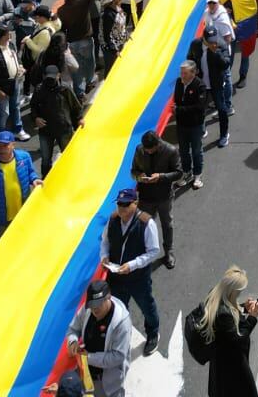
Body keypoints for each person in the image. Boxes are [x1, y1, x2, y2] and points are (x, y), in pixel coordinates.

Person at [101, 187, 161, 356]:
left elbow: (153, 251)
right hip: (116, 278)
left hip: (138, 278)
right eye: (119, 204)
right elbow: (105, 242)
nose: (122, 208)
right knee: (119, 310)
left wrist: (132, 265)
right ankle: (122, 337)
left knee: (147, 307)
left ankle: (152, 333)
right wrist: (104, 256)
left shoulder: (146, 223)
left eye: (126, 205)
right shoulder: (113, 219)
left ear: (135, 203)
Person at [192, 266, 258, 397]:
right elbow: (238, 339)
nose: (240, 295)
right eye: (239, 292)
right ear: (232, 292)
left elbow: (230, 316)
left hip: (220, 360)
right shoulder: (224, 315)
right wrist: (252, 317)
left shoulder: (215, 295)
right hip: (231, 365)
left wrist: (244, 309)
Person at [66, 278, 133, 397]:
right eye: (92, 305)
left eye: (98, 304)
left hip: (107, 382)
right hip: (85, 374)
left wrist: (88, 358)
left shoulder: (122, 323)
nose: (94, 309)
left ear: (109, 297)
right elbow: (73, 329)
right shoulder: (87, 310)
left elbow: (117, 356)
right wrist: (72, 341)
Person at [0, 130, 41, 241]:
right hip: (0, 219)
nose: (1, 149)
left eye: (5, 145)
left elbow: (30, 172)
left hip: (23, 212)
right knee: (1, 246)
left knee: (24, 241)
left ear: (13, 144)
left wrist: (34, 179)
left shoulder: (24, 158)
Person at [132, 129, 181, 267]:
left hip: (164, 195)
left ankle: (169, 251)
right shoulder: (140, 150)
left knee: (167, 224)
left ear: (158, 144)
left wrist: (160, 177)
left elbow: (179, 173)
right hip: (146, 196)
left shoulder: (171, 150)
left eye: (150, 150)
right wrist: (139, 176)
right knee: (145, 226)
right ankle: (146, 254)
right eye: (145, 149)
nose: (147, 152)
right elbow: (133, 170)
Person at [173, 59, 208, 188]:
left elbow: (199, 107)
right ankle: (186, 172)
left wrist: (179, 109)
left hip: (195, 125)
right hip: (182, 124)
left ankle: (197, 175)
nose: (182, 76)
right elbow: (177, 99)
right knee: (183, 151)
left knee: (196, 151)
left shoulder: (200, 86)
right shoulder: (179, 83)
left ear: (193, 73)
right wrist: (178, 108)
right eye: (181, 73)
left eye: (185, 73)